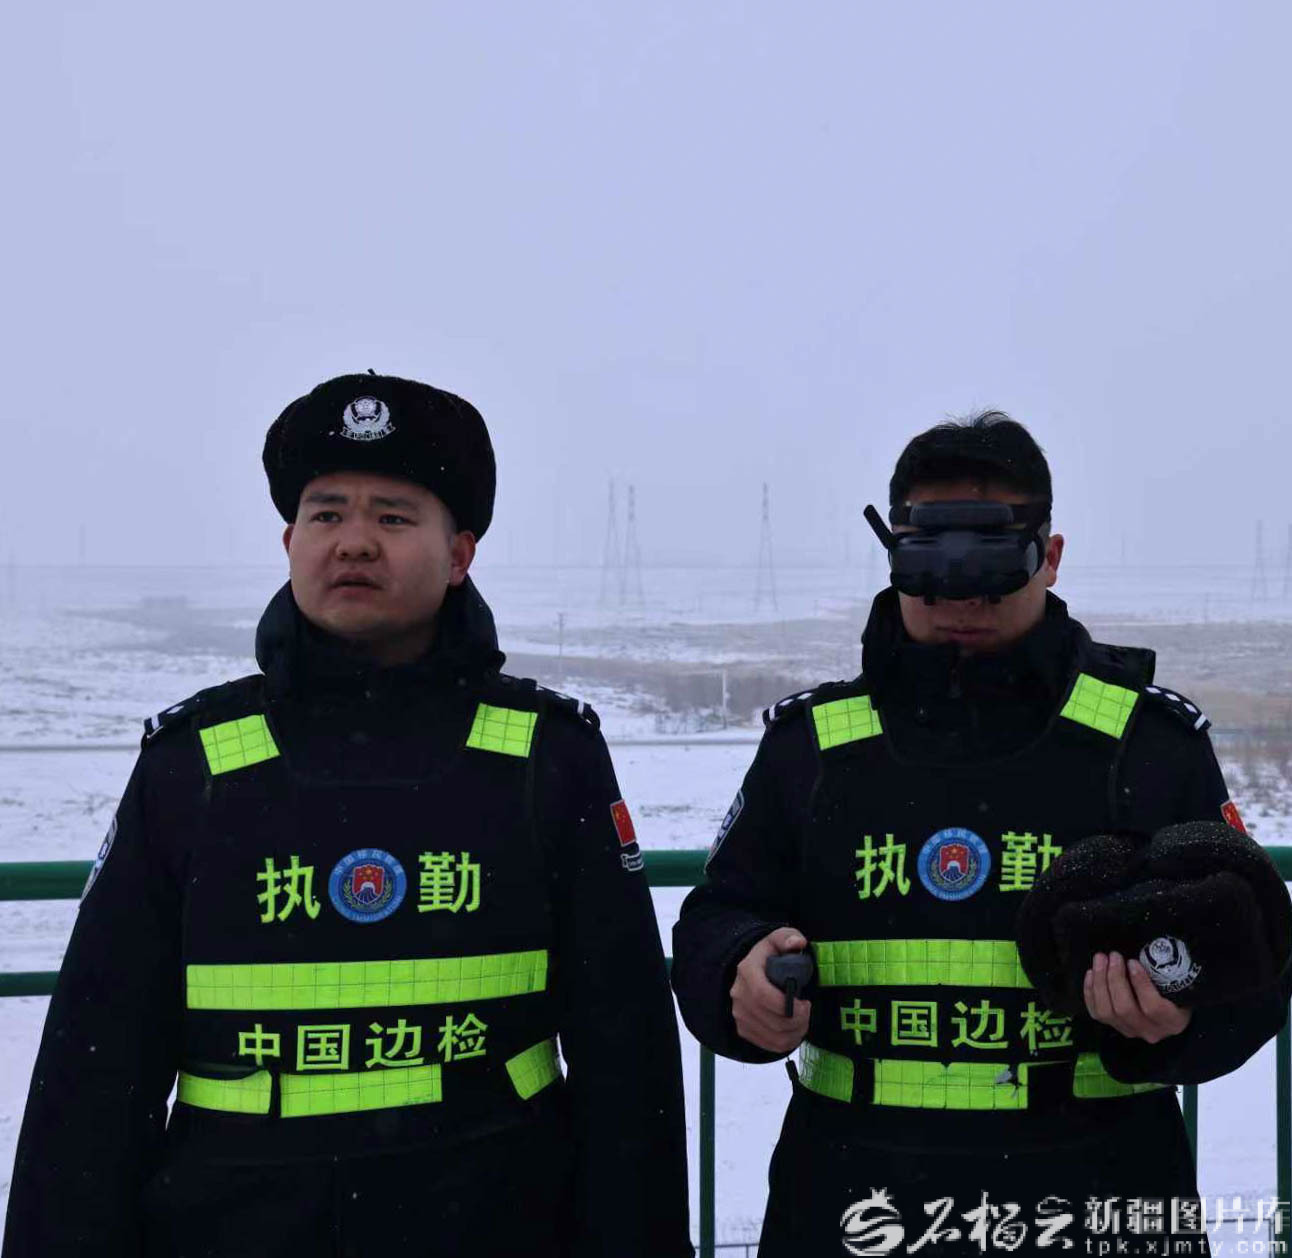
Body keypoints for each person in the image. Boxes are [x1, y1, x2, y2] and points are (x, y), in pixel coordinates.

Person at [4, 372, 692, 1258]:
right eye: (326, 514)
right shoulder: (196, 764)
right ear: (290, 542)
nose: (354, 542)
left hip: (499, 1220)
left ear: (459, 554)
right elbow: (94, 1073)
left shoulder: (546, 759)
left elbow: (626, 1057)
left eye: (393, 517)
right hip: (235, 1229)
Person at [671, 412, 1291, 1257]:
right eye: (930, 566)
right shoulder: (814, 748)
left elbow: (1253, 967)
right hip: (854, 1198)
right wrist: (736, 973)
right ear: (893, 556)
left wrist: (1178, 1021)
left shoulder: (1146, 746)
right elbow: (716, 915)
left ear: (1051, 555)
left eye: (994, 567)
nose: (962, 599)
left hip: (1098, 1191)